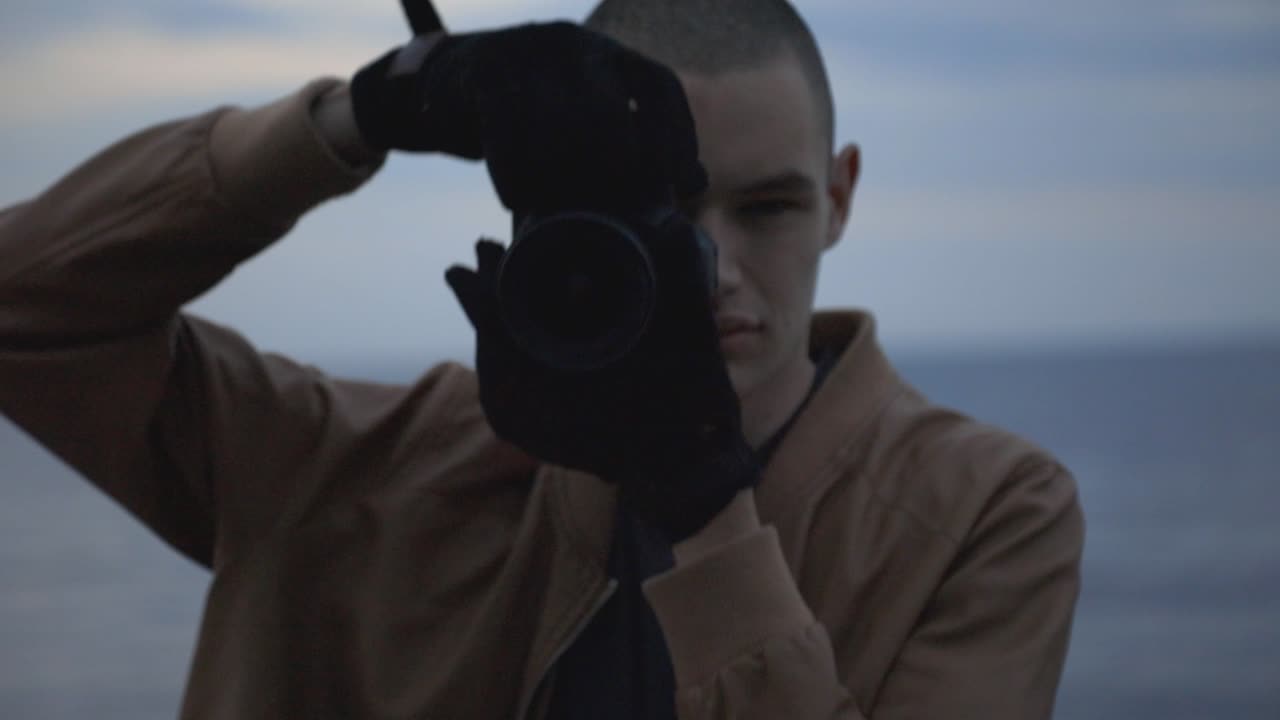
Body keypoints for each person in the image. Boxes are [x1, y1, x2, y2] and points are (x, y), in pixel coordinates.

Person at [0, 0, 1084, 717]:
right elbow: (27, 311)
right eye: (662, 212)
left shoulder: (986, 514)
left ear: (839, 196)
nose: (713, 269)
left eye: (767, 207)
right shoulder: (353, 468)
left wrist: (705, 505)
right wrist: (360, 114)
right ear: (546, 211)